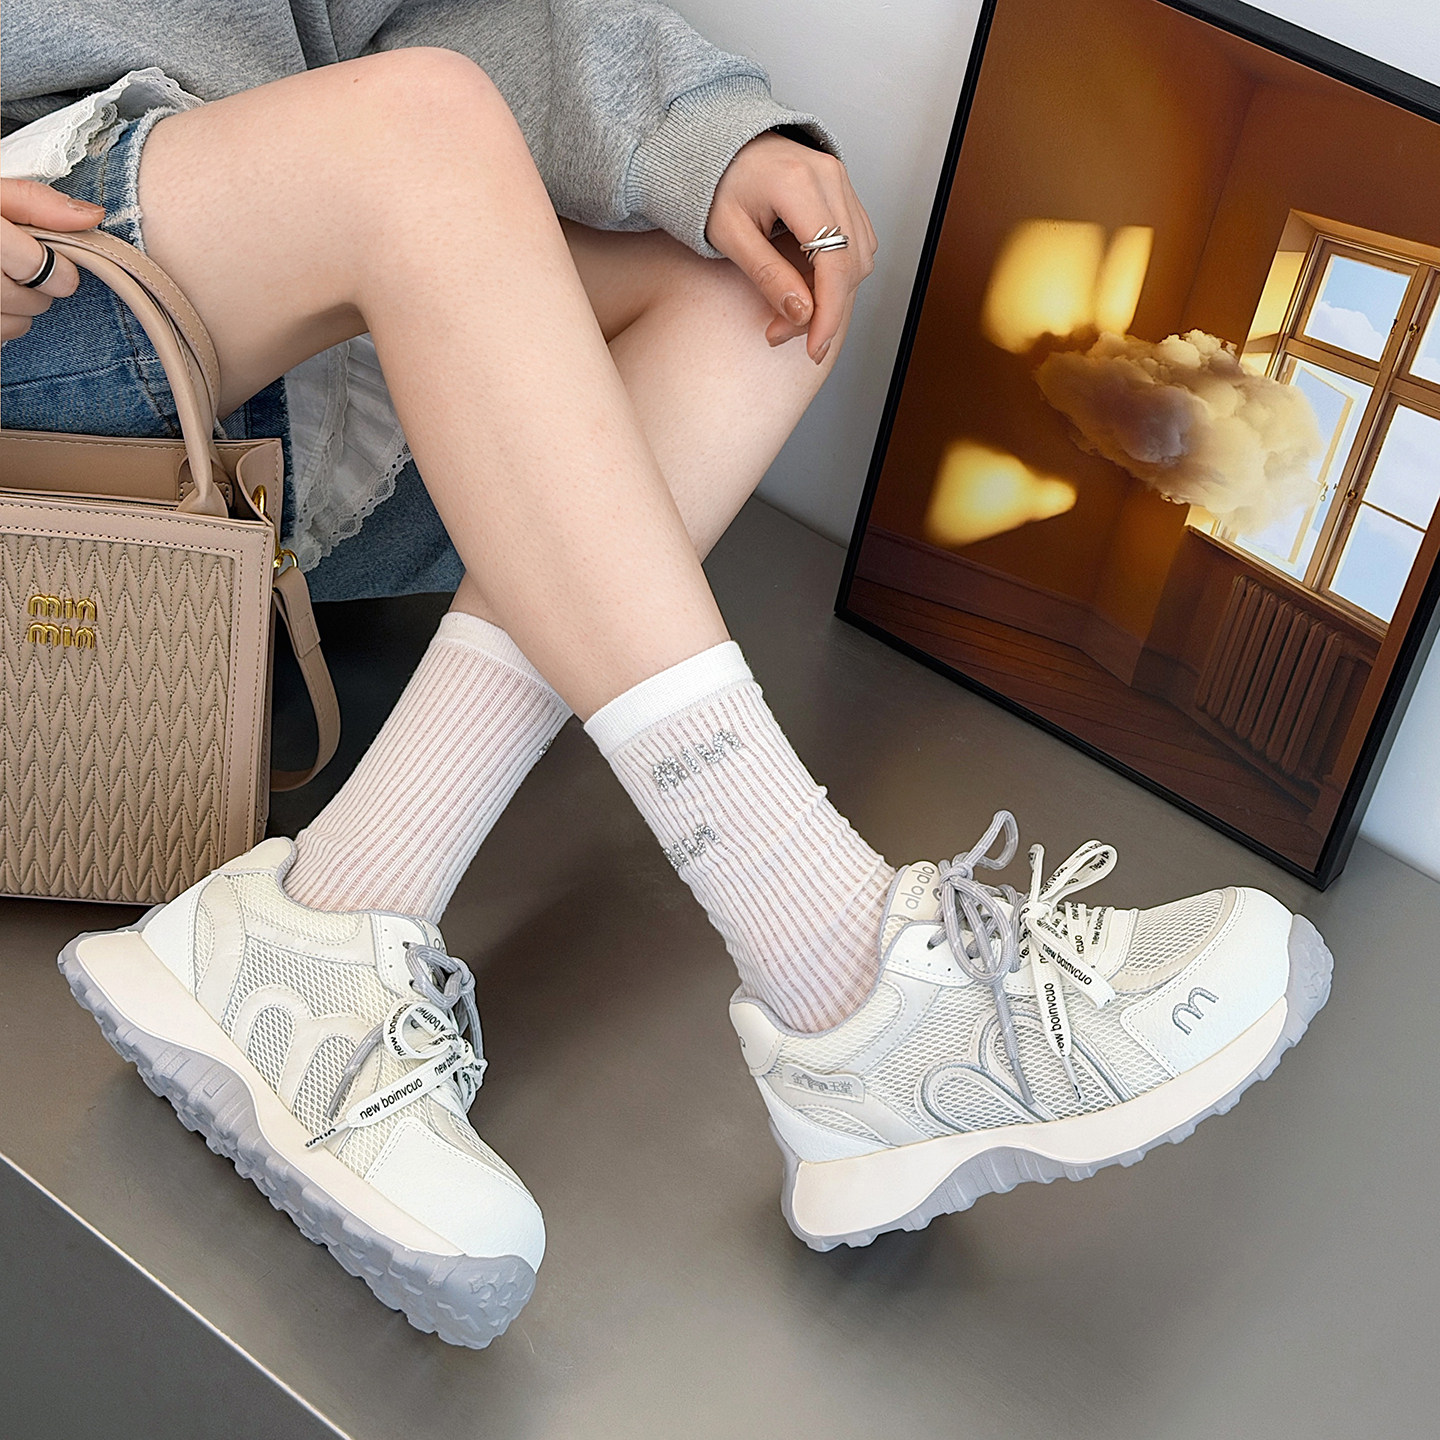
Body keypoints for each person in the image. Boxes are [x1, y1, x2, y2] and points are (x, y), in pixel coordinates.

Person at [2, 2, 1331, 1352]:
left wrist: (697, 132)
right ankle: (852, 983)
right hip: (39, 310)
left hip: (252, 359)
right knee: (412, 129)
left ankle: (327, 916)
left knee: (753, 283)